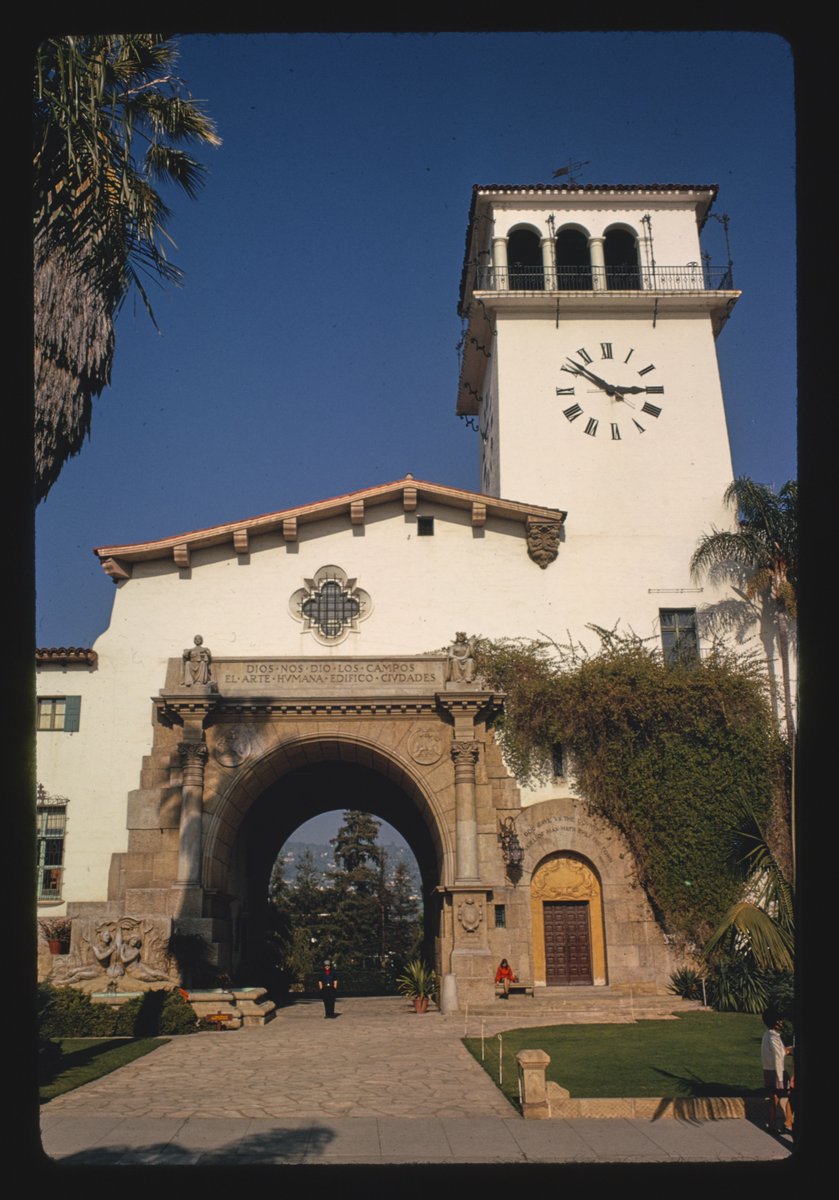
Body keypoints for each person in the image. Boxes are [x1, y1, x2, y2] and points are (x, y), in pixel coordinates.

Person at [761, 1008, 792, 1135]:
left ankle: (772, 1124)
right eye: (779, 1020)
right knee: (792, 1095)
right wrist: (789, 1051)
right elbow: (778, 1057)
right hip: (777, 1072)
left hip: (768, 1071)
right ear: (775, 1022)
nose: (782, 1022)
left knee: (773, 1097)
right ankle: (788, 1123)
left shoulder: (766, 1035)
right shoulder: (774, 1037)